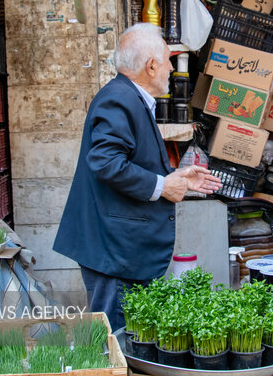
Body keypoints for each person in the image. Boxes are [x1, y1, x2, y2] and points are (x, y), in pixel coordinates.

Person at [53, 23, 222, 331]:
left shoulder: (129, 98)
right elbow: (105, 163)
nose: (172, 67)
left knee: (126, 336)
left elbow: (126, 162)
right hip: (113, 252)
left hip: (120, 250)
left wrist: (175, 176)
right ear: (151, 65)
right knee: (115, 340)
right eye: (168, 59)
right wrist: (162, 186)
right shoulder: (118, 99)